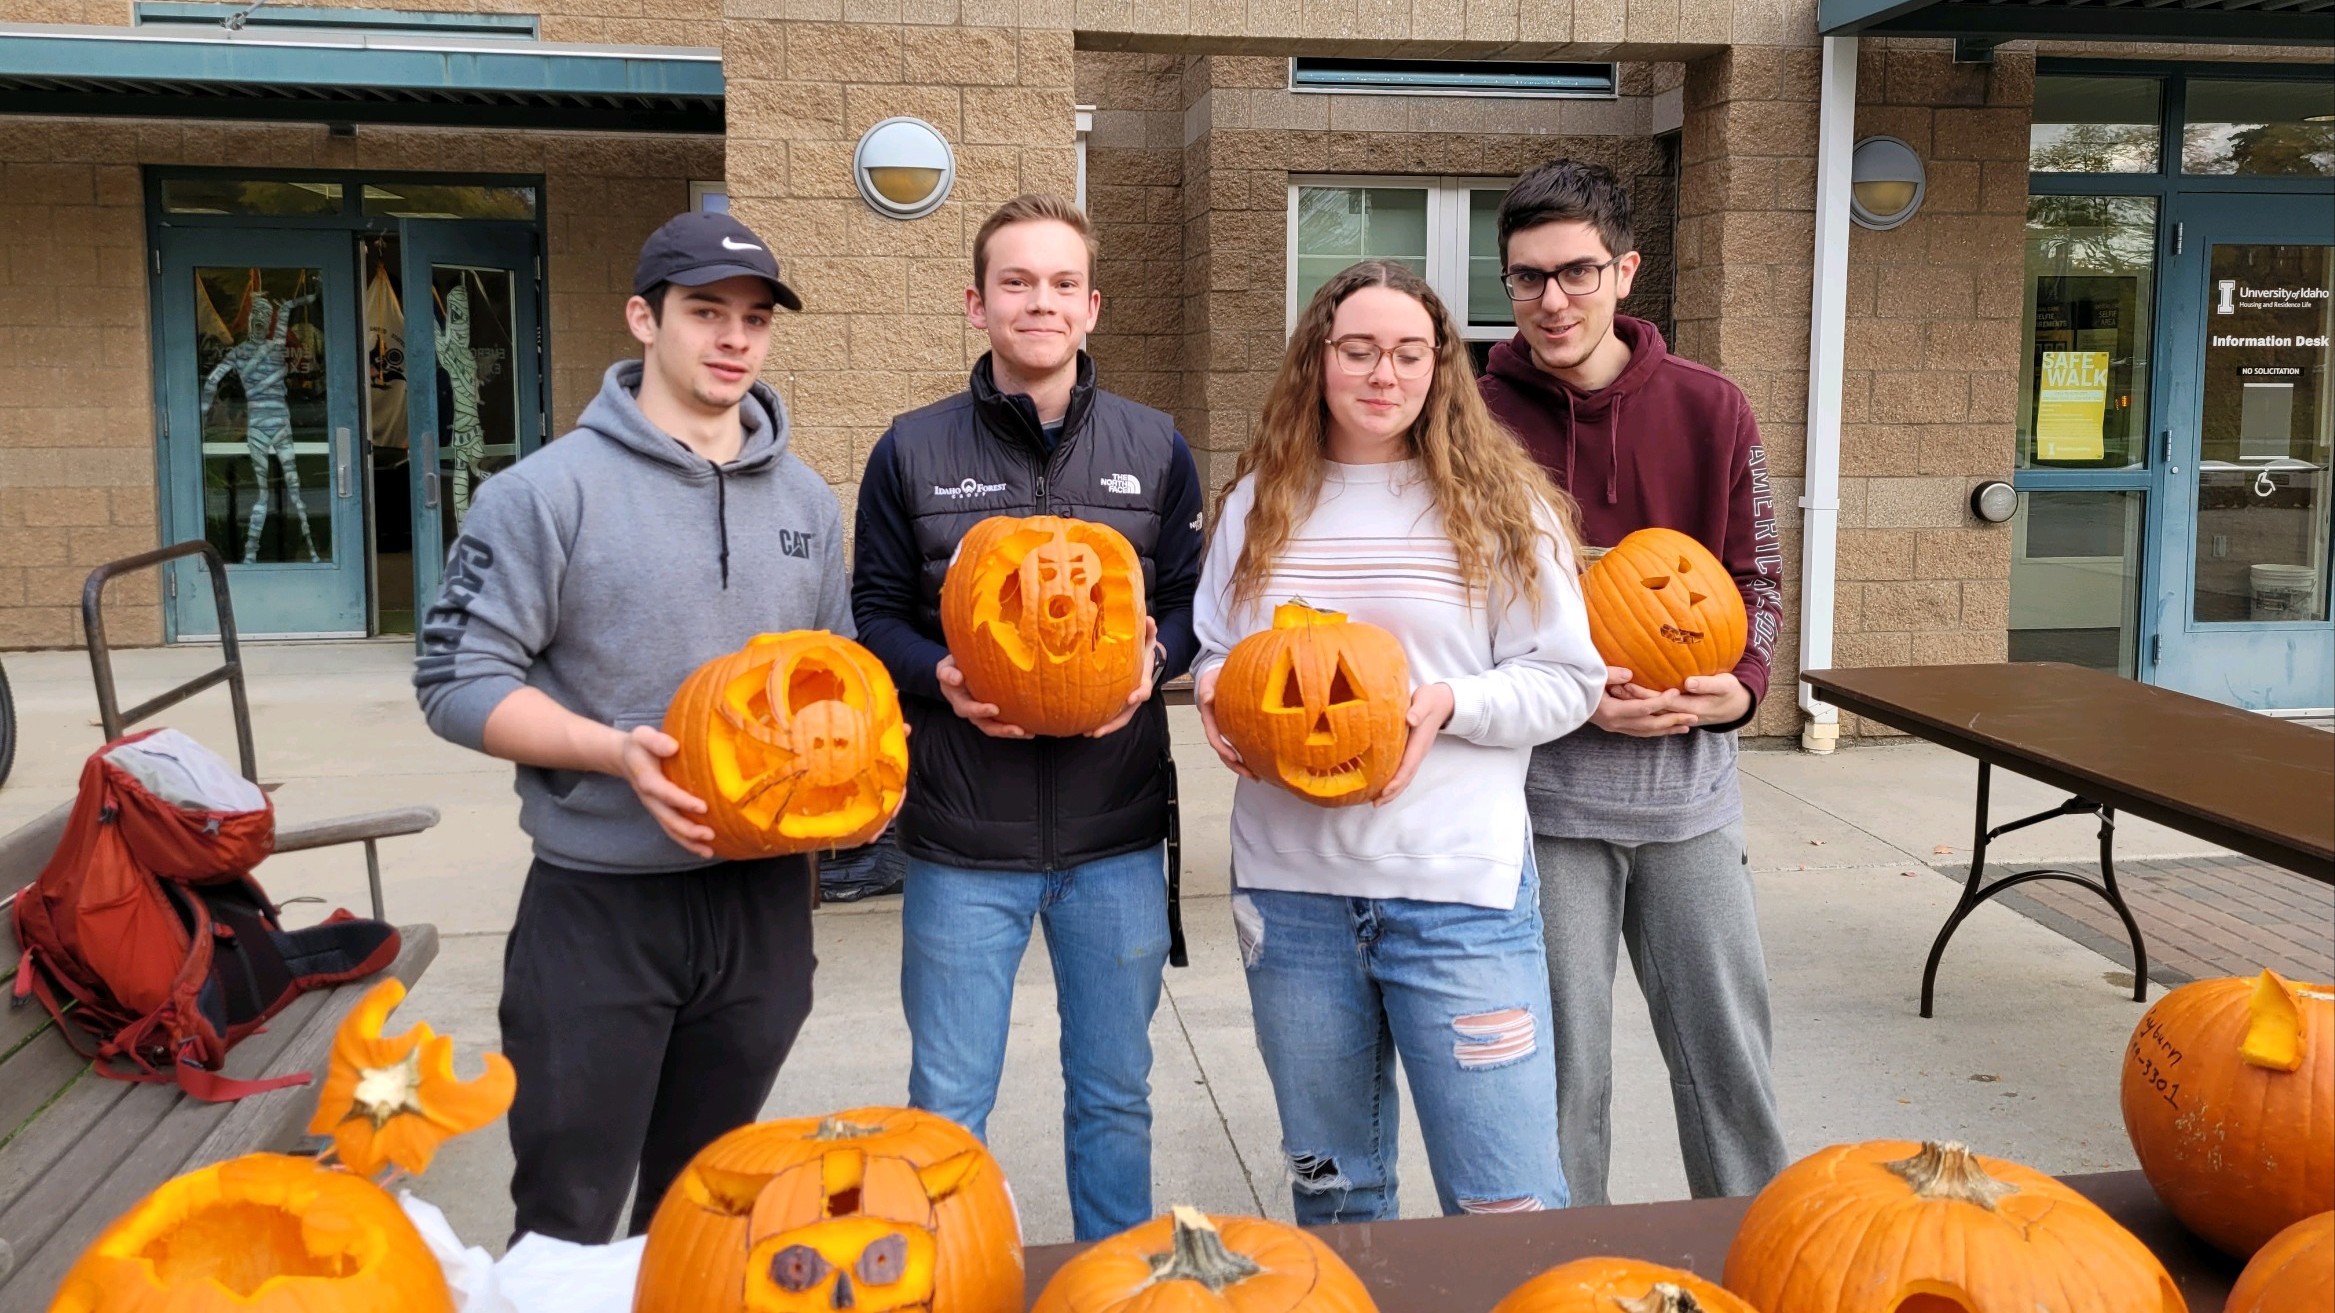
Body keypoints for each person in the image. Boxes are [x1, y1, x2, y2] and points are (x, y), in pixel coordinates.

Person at [413, 210, 848, 1243]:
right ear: (643, 319)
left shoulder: (808, 502)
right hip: (601, 903)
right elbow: (453, 677)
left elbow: (837, 678)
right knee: (568, 1208)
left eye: (752, 317)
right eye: (705, 312)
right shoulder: (543, 494)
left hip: (761, 904)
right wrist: (610, 748)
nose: (733, 338)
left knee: (700, 1207)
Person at [1192, 259, 1604, 1222]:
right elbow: (1215, 646)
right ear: (1317, 362)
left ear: (1440, 367)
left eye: (1410, 352)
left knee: (1506, 1200)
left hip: (1457, 896)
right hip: (1291, 902)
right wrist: (1220, 688)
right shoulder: (1260, 504)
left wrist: (1446, 703)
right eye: (1360, 350)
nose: (1385, 373)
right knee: (1336, 1190)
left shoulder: (1504, 509)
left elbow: (1568, 679)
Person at [849, 194, 1204, 1241]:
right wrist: (938, 673)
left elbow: (1194, 601)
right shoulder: (909, 451)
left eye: (1059, 284)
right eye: (1015, 282)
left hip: (1116, 837)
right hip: (965, 839)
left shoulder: (1156, 444)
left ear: (1091, 306)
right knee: (949, 1102)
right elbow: (871, 611)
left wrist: (1158, 657)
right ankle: (936, 1269)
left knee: (1113, 1094)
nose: (1037, 302)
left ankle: (1111, 1275)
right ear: (976, 302)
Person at [1478, 158, 1791, 1205]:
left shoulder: (1712, 407)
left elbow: (1756, 578)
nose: (1550, 300)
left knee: (1726, 1065)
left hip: (1689, 795)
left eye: (1574, 272)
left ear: (1624, 270)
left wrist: (1741, 683)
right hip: (1544, 801)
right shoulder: (1472, 422)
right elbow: (1453, 606)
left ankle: (1753, 1249)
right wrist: (1565, 690)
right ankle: (1566, 1268)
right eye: (1526, 277)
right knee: (1563, 1076)